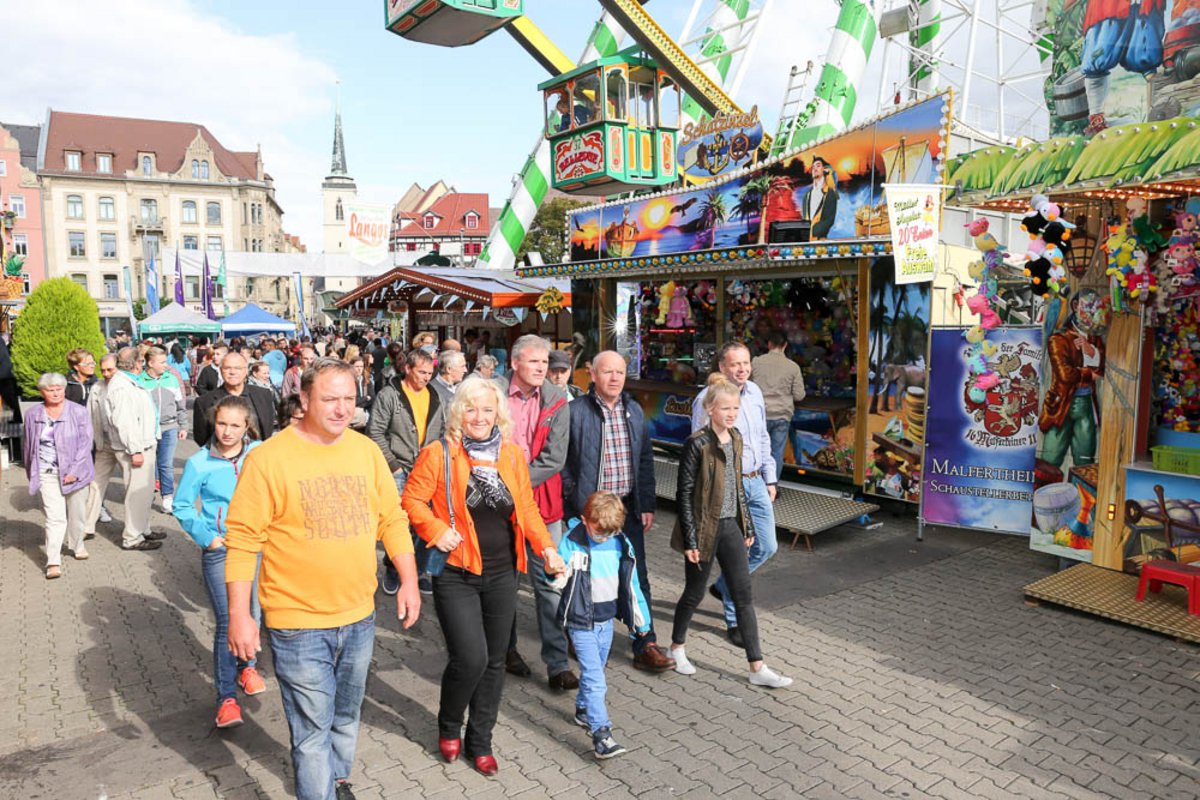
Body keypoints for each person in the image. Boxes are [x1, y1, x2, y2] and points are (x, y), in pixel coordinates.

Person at [225, 357, 420, 800]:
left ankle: (338, 780)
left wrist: (408, 579)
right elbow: (243, 541)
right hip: (298, 624)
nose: (342, 409)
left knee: (346, 717)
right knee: (312, 733)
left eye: (349, 399)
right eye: (330, 399)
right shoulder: (268, 459)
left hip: (360, 616)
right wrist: (240, 615)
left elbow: (392, 518)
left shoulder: (365, 451)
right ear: (305, 398)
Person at [401, 376, 565, 776]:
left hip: (503, 573)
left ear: (498, 414)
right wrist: (435, 530)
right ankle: (449, 724)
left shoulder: (510, 455)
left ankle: (481, 741)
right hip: (456, 572)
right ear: (459, 412)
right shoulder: (439, 454)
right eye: (471, 409)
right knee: (470, 658)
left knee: (494, 661)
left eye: (487, 410)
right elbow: (411, 500)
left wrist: (547, 548)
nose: (479, 417)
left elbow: (525, 508)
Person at [672, 375, 792, 688]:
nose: (731, 414)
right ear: (710, 409)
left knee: (743, 595)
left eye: (735, 408)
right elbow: (684, 494)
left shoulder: (736, 438)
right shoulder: (697, 443)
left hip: (730, 527)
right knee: (694, 593)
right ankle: (677, 648)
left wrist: (746, 525)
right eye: (725, 408)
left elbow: (738, 486)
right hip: (704, 528)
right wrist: (690, 539)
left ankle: (757, 667)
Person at [563, 351, 675, 672]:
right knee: (584, 578)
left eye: (620, 372)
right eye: (607, 372)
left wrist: (647, 504)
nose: (614, 378)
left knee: (636, 575)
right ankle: (580, 634)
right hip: (588, 513)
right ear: (592, 374)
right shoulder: (575, 412)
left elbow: (644, 460)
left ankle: (645, 642)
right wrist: (575, 500)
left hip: (626, 509)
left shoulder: (634, 410)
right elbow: (562, 463)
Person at [174, 395, 266, 729]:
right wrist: (208, 537)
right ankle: (226, 699)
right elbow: (182, 505)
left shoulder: (260, 454)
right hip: (221, 549)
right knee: (229, 621)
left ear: (247, 426)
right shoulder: (199, 462)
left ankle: (247, 668)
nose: (227, 431)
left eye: (235, 425)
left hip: (256, 546)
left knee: (254, 613)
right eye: (221, 424)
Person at [502, 335, 578, 689]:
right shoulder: (493, 393)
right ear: (515, 363)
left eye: (544, 363)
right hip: (498, 506)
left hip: (543, 505)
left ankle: (557, 665)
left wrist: (514, 485)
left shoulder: (557, 399)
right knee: (504, 584)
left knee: (550, 583)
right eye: (534, 362)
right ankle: (506, 651)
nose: (541, 368)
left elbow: (554, 458)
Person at [691, 341, 777, 647]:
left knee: (767, 546)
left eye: (746, 363)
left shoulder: (754, 393)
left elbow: (762, 436)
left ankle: (723, 585)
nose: (742, 369)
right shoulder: (707, 399)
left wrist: (770, 476)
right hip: (729, 486)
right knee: (737, 552)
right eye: (735, 364)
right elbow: (700, 447)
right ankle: (734, 620)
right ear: (722, 367)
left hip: (756, 481)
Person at [555, 492, 651, 759]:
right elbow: (555, 575)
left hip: (606, 621)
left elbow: (632, 585)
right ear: (585, 520)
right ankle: (601, 734)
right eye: (599, 533)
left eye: (609, 533)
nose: (603, 538)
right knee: (596, 679)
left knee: (595, 671)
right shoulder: (572, 541)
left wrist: (642, 621)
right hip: (580, 622)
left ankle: (583, 710)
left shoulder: (620, 542)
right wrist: (556, 574)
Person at [367, 348, 445, 595]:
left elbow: (442, 429)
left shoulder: (435, 395)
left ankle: (418, 570)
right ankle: (393, 569)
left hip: (427, 469)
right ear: (408, 369)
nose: (426, 377)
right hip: (399, 467)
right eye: (421, 372)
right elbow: (375, 431)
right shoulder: (390, 394)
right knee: (399, 522)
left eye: (430, 373)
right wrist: (394, 465)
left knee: (424, 522)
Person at [23, 373, 95, 579]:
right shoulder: (32, 414)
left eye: (59, 389)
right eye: (50, 390)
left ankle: (77, 544)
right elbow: (28, 446)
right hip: (47, 472)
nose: (55, 393)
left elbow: (86, 444)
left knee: (77, 514)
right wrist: (31, 472)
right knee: (55, 518)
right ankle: (53, 561)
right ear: (42, 392)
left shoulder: (78, 411)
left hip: (76, 473)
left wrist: (74, 471)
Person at [92, 347, 163, 551]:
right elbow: (124, 422)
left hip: (143, 443)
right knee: (136, 494)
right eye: (141, 361)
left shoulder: (129, 382)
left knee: (144, 493)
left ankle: (143, 529)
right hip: (135, 447)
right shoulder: (121, 386)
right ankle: (132, 538)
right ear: (137, 363)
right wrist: (135, 450)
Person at [751, 330, 806, 481]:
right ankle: (771, 486)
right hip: (782, 415)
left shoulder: (756, 363)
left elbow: (746, 386)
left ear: (769, 344)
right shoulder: (793, 367)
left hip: (760, 415)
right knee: (776, 454)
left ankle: (755, 485)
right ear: (785, 345)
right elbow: (799, 395)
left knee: (756, 452)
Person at [140, 347, 188, 514]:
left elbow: (180, 405)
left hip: (169, 427)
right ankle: (147, 493)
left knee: (165, 464)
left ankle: (167, 497)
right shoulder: (140, 381)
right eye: (162, 362)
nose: (165, 365)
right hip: (148, 429)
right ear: (150, 363)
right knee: (149, 464)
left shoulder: (172, 379)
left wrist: (183, 426)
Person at [193, 352, 277, 448]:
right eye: (227, 368)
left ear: (246, 371)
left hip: (259, 453)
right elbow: (201, 438)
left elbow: (269, 426)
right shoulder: (204, 402)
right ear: (220, 370)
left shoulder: (264, 394)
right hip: (223, 455)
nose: (232, 372)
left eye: (238, 368)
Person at [803, 156, 839, 239]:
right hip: (806, 241)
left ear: (824, 169)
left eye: (818, 166)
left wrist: (812, 231)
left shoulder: (830, 193)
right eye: (813, 167)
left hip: (820, 241)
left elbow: (829, 221)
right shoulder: (806, 196)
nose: (815, 169)